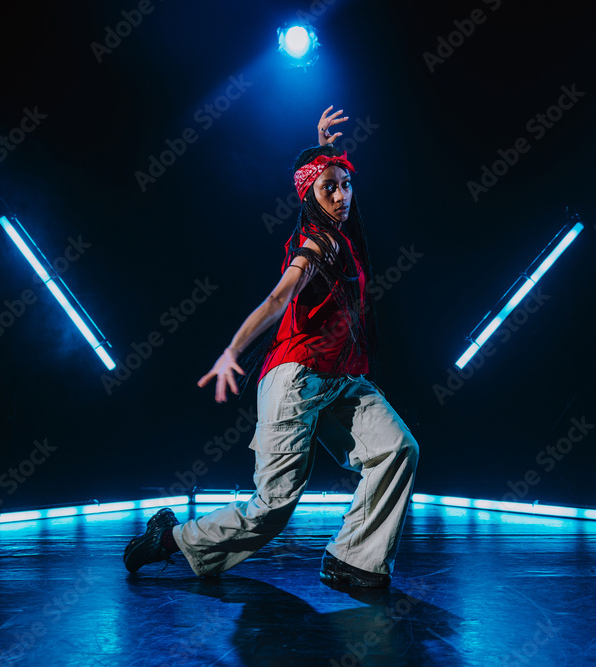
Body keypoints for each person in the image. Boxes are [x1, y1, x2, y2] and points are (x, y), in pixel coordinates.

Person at [124, 107, 419, 587]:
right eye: (330, 188)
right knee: (272, 509)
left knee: (398, 448)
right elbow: (279, 298)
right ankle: (171, 538)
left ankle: (353, 560)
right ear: (310, 195)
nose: (342, 195)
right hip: (298, 380)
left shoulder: (340, 236)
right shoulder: (317, 244)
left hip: (339, 379)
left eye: (346, 184)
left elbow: (321, 174)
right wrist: (232, 351)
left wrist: (322, 145)